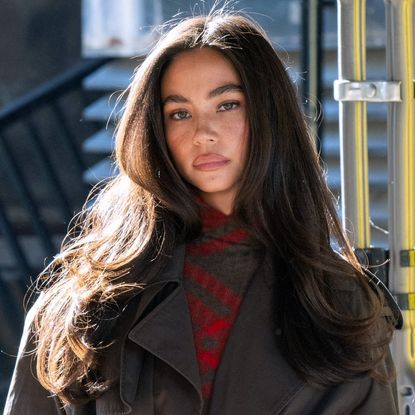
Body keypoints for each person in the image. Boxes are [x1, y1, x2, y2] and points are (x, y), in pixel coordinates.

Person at [4, 11, 402, 415]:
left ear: (270, 117)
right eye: (179, 113)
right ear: (156, 132)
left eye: (227, 105)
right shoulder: (86, 301)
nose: (203, 133)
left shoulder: (341, 304)